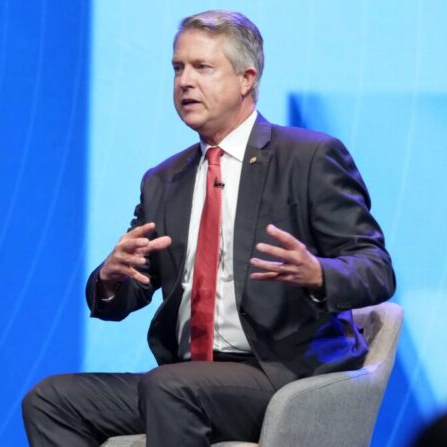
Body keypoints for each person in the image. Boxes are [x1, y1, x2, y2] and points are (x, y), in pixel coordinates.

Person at [22, 10, 395, 447]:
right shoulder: (164, 179)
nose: (184, 81)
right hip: (189, 376)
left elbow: (377, 269)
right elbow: (130, 295)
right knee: (49, 400)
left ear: (246, 79)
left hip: (281, 374)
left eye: (202, 67)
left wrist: (318, 274)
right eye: (178, 68)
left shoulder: (309, 158)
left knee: (171, 387)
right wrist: (109, 278)